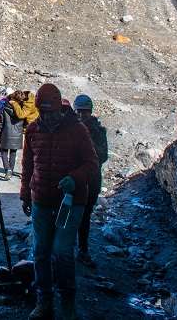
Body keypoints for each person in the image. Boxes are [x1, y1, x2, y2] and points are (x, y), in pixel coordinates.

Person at [20, 84, 99, 320]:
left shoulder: (77, 130)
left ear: (60, 110)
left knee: (62, 250)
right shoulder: (33, 130)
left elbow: (92, 164)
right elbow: (27, 166)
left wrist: (74, 179)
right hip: (41, 199)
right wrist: (25, 193)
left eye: (53, 112)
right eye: (45, 113)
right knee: (40, 251)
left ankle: (67, 302)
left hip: (71, 201)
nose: (49, 117)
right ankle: (44, 301)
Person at [74, 94, 108, 267]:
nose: (81, 116)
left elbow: (103, 156)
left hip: (90, 180)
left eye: (84, 112)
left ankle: (83, 249)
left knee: (85, 215)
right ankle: (69, 248)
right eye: (79, 112)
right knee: (72, 214)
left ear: (90, 112)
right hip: (75, 180)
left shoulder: (98, 131)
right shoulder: (70, 130)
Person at [0, 91, 26, 180]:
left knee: (3, 152)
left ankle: (8, 170)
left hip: (6, 133)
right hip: (18, 134)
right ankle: (11, 170)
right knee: (13, 153)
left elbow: (0, 123)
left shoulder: (4, 107)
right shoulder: (23, 110)